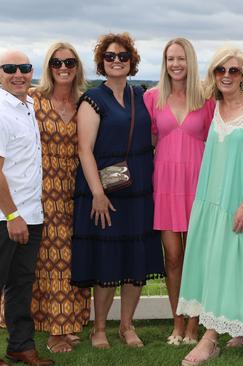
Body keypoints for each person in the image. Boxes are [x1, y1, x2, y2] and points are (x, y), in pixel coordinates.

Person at [177, 47, 243, 366]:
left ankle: (209, 340)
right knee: (220, 265)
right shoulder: (214, 105)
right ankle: (236, 327)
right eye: (221, 69)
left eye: (234, 70)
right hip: (213, 199)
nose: (226, 75)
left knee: (240, 263)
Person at [71, 32, 165, 349]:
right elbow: (84, 150)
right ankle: (99, 329)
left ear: (131, 62)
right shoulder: (93, 100)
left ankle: (127, 326)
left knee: (135, 260)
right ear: (102, 62)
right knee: (108, 262)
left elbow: (152, 135)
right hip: (105, 193)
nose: (116, 61)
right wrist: (97, 193)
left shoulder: (141, 96)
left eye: (122, 56)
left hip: (139, 191)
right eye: (110, 57)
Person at [0, 50, 53, 366]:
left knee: (22, 282)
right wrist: (12, 215)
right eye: (10, 68)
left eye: (25, 68)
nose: (18, 73)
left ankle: (21, 345)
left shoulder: (29, 105)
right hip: (5, 217)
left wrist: (24, 215)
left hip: (31, 214)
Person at [143, 38, 214, 346]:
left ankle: (194, 325)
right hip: (166, 187)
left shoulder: (208, 98)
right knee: (173, 258)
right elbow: (148, 140)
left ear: (191, 61)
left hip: (199, 186)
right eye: (171, 58)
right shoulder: (152, 98)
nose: (176, 64)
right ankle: (177, 322)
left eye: (181, 58)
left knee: (196, 258)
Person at [29, 41, 91, 353]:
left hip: (76, 191)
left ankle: (69, 323)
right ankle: (55, 330)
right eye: (57, 63)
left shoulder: (85, 103)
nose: (63, 68)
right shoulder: (33, 100)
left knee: (73, 257)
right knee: (51, 259)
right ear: (49, 67)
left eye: (69, 62)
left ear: (77, 67)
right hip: (42, 189)